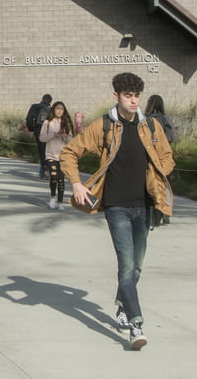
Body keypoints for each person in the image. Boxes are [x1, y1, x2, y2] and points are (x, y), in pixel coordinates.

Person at [60, 72, 175, 351]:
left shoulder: (150, 126)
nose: (134, 101)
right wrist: (76, 184)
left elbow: (168, 158)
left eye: (137, 96)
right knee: (126, 263)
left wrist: (159, 174)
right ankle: (135, 325)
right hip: (116, 206)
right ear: (117, 96)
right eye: (128, 96)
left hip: (144, 205)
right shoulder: (104, 126)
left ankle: (123, 306)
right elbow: (70, 152)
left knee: (136, 265)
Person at [38, 100, 77, 209]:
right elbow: (42, 138)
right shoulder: (47, 123)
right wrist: (53, 134)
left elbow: (71, 140)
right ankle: (52, 198)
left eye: (61, 109)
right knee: (53, 176)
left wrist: (64, 136)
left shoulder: (67, 123)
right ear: (53, 110)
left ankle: (60, 202)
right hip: (50, 154)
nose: (59, 111)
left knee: (61, 179)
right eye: (57, 109)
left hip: (63, 155)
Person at [25, 93, 54, 179]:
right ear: (50, 101)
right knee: (49, 151)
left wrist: (32, 129)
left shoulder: (35, 106)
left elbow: (29, 119)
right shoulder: (52, 109)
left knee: (42, 150)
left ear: (42, 99)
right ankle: (50, 168)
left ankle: (44, 168)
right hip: (50, 132)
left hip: (39, 131)